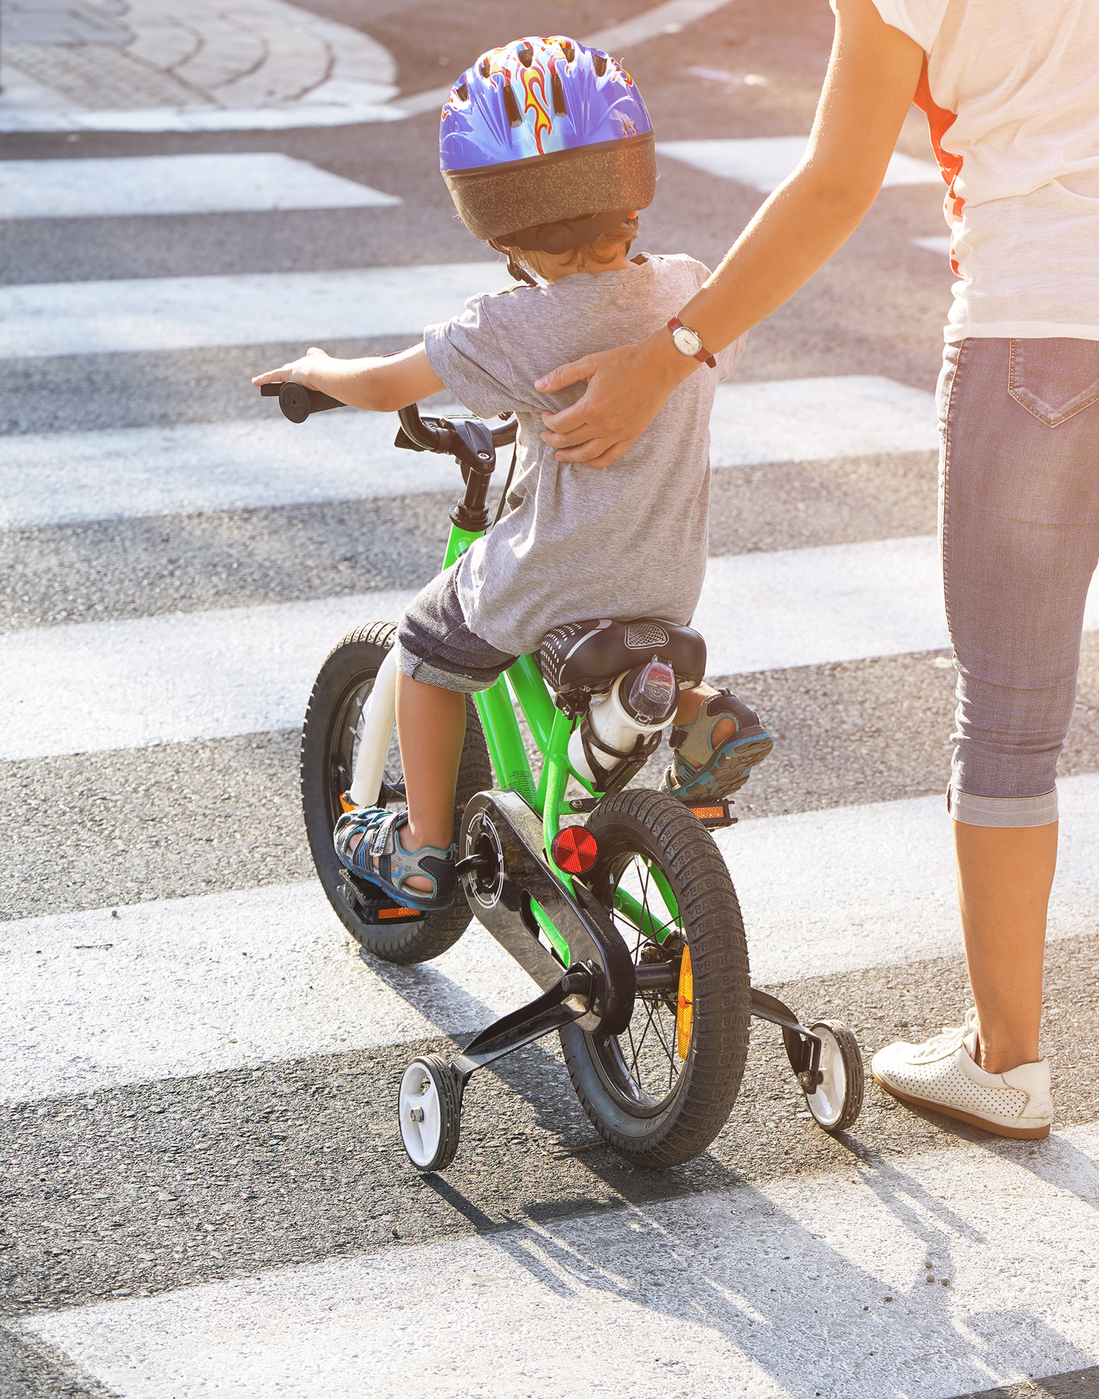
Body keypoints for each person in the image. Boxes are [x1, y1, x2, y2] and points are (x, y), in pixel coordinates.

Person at [532, 0, 1099, 1206]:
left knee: (1008, 721)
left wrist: (671, 350)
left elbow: (838, 184)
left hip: (1042, 337)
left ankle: (1007, 1061)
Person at [252, 36, 773, 912]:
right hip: (666, 576)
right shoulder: (690, 290)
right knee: (612, 642)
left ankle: (420, 845)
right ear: (633, 195)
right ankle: (695, 709)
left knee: (425, 648)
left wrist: (314, 367)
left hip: (554, 574)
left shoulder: (508, 329)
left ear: (488, 224)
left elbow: (385, 385)